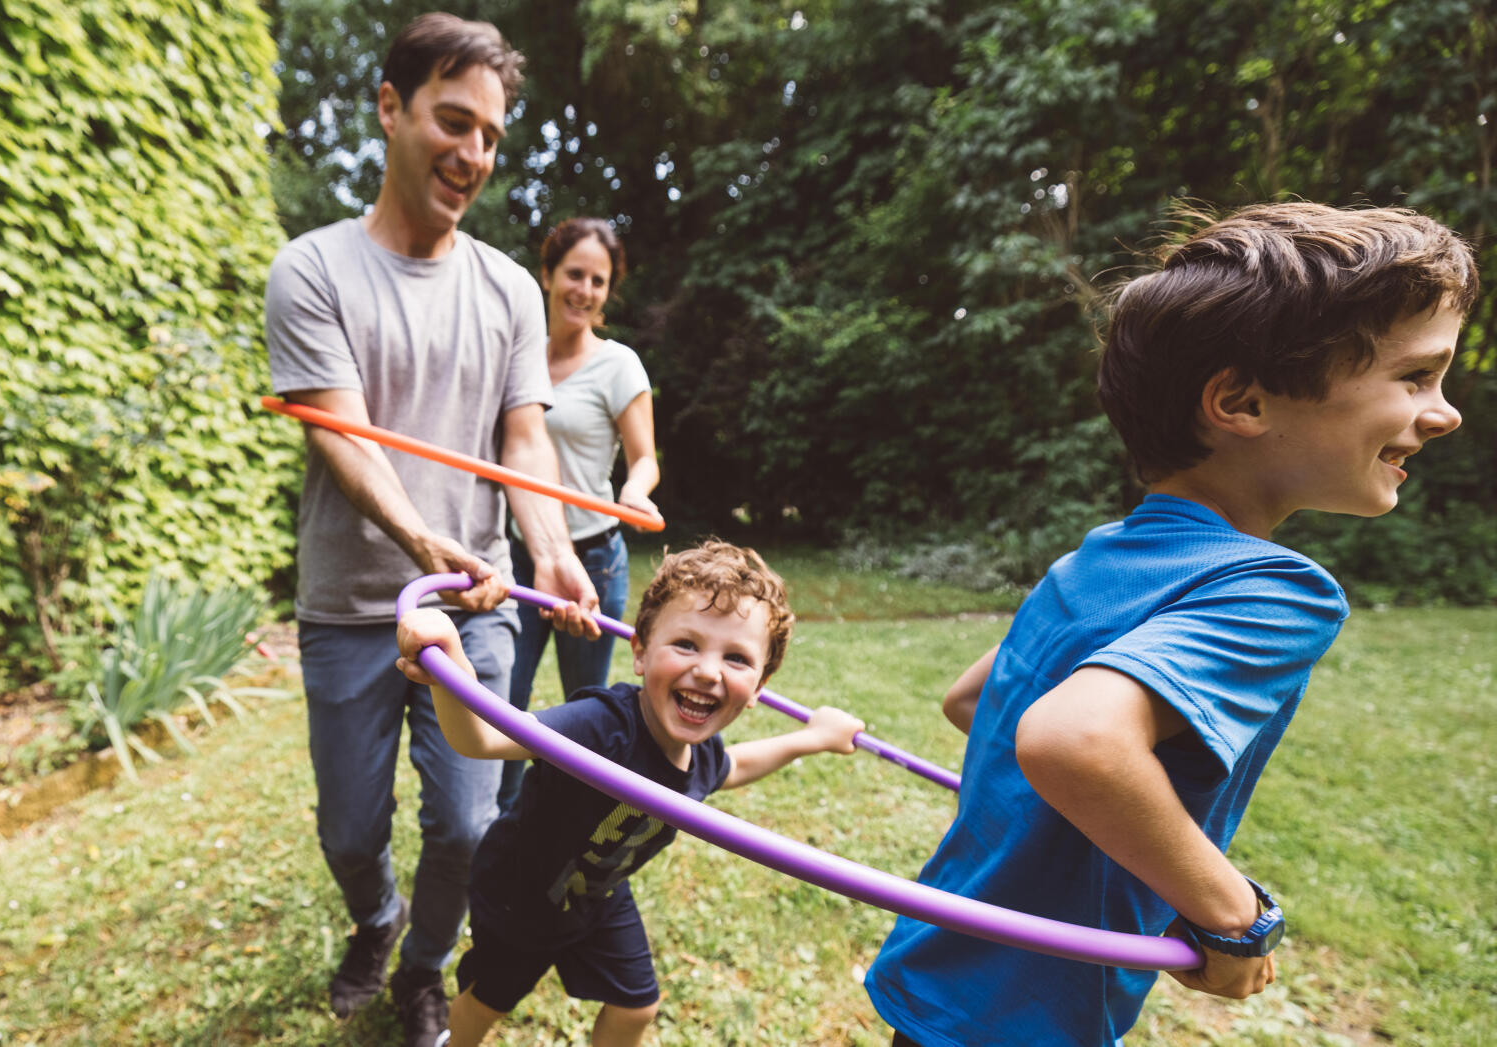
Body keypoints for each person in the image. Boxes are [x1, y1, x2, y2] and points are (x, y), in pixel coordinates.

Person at [865, 202, 1477, 1047]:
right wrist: (1234, 911)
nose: (1443, 411)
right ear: (1242, 401)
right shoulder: (1272, 587)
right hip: (1030, 1019)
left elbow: (976, 700)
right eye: (1416, 378)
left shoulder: (1093, 560)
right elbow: (1073, 739)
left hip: (943, 973)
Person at [263, 13, 600, 1046]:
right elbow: (347, 440)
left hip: (475, 603)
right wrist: (420, 540)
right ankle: (375, 916)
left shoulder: (506, 287)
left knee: (463, 821)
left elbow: (523, 443)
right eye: (453, 122)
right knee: (349, 829)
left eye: (492, 136)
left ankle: (420, 969)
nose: (474, 155)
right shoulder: (312, 271)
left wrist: (546, 546)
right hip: (352, 605)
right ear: (389, 109)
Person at [397, 540, 867, 1047]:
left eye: (736, 658)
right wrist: (451, 667)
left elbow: (738, 765)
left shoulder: (703, 756)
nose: (708, 671)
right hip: (521, 893)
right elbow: (485, 737)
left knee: (637, 1006)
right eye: (686, 644)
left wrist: (811, 738)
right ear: (640, 651)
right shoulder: (603, 725)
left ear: (759, 686)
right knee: (490, 996)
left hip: (598, 895)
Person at [501, 217, 661, 810]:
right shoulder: (519, 357)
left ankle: (566, 827)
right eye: (574, 274)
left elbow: (645, 459)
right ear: (547, 275)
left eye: (599, 280)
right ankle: (502, 824)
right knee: (503, 703)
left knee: (584, 710)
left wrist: (636, 491)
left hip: (594, 559)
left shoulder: (618, 365)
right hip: (519, 555)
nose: (585, 290)